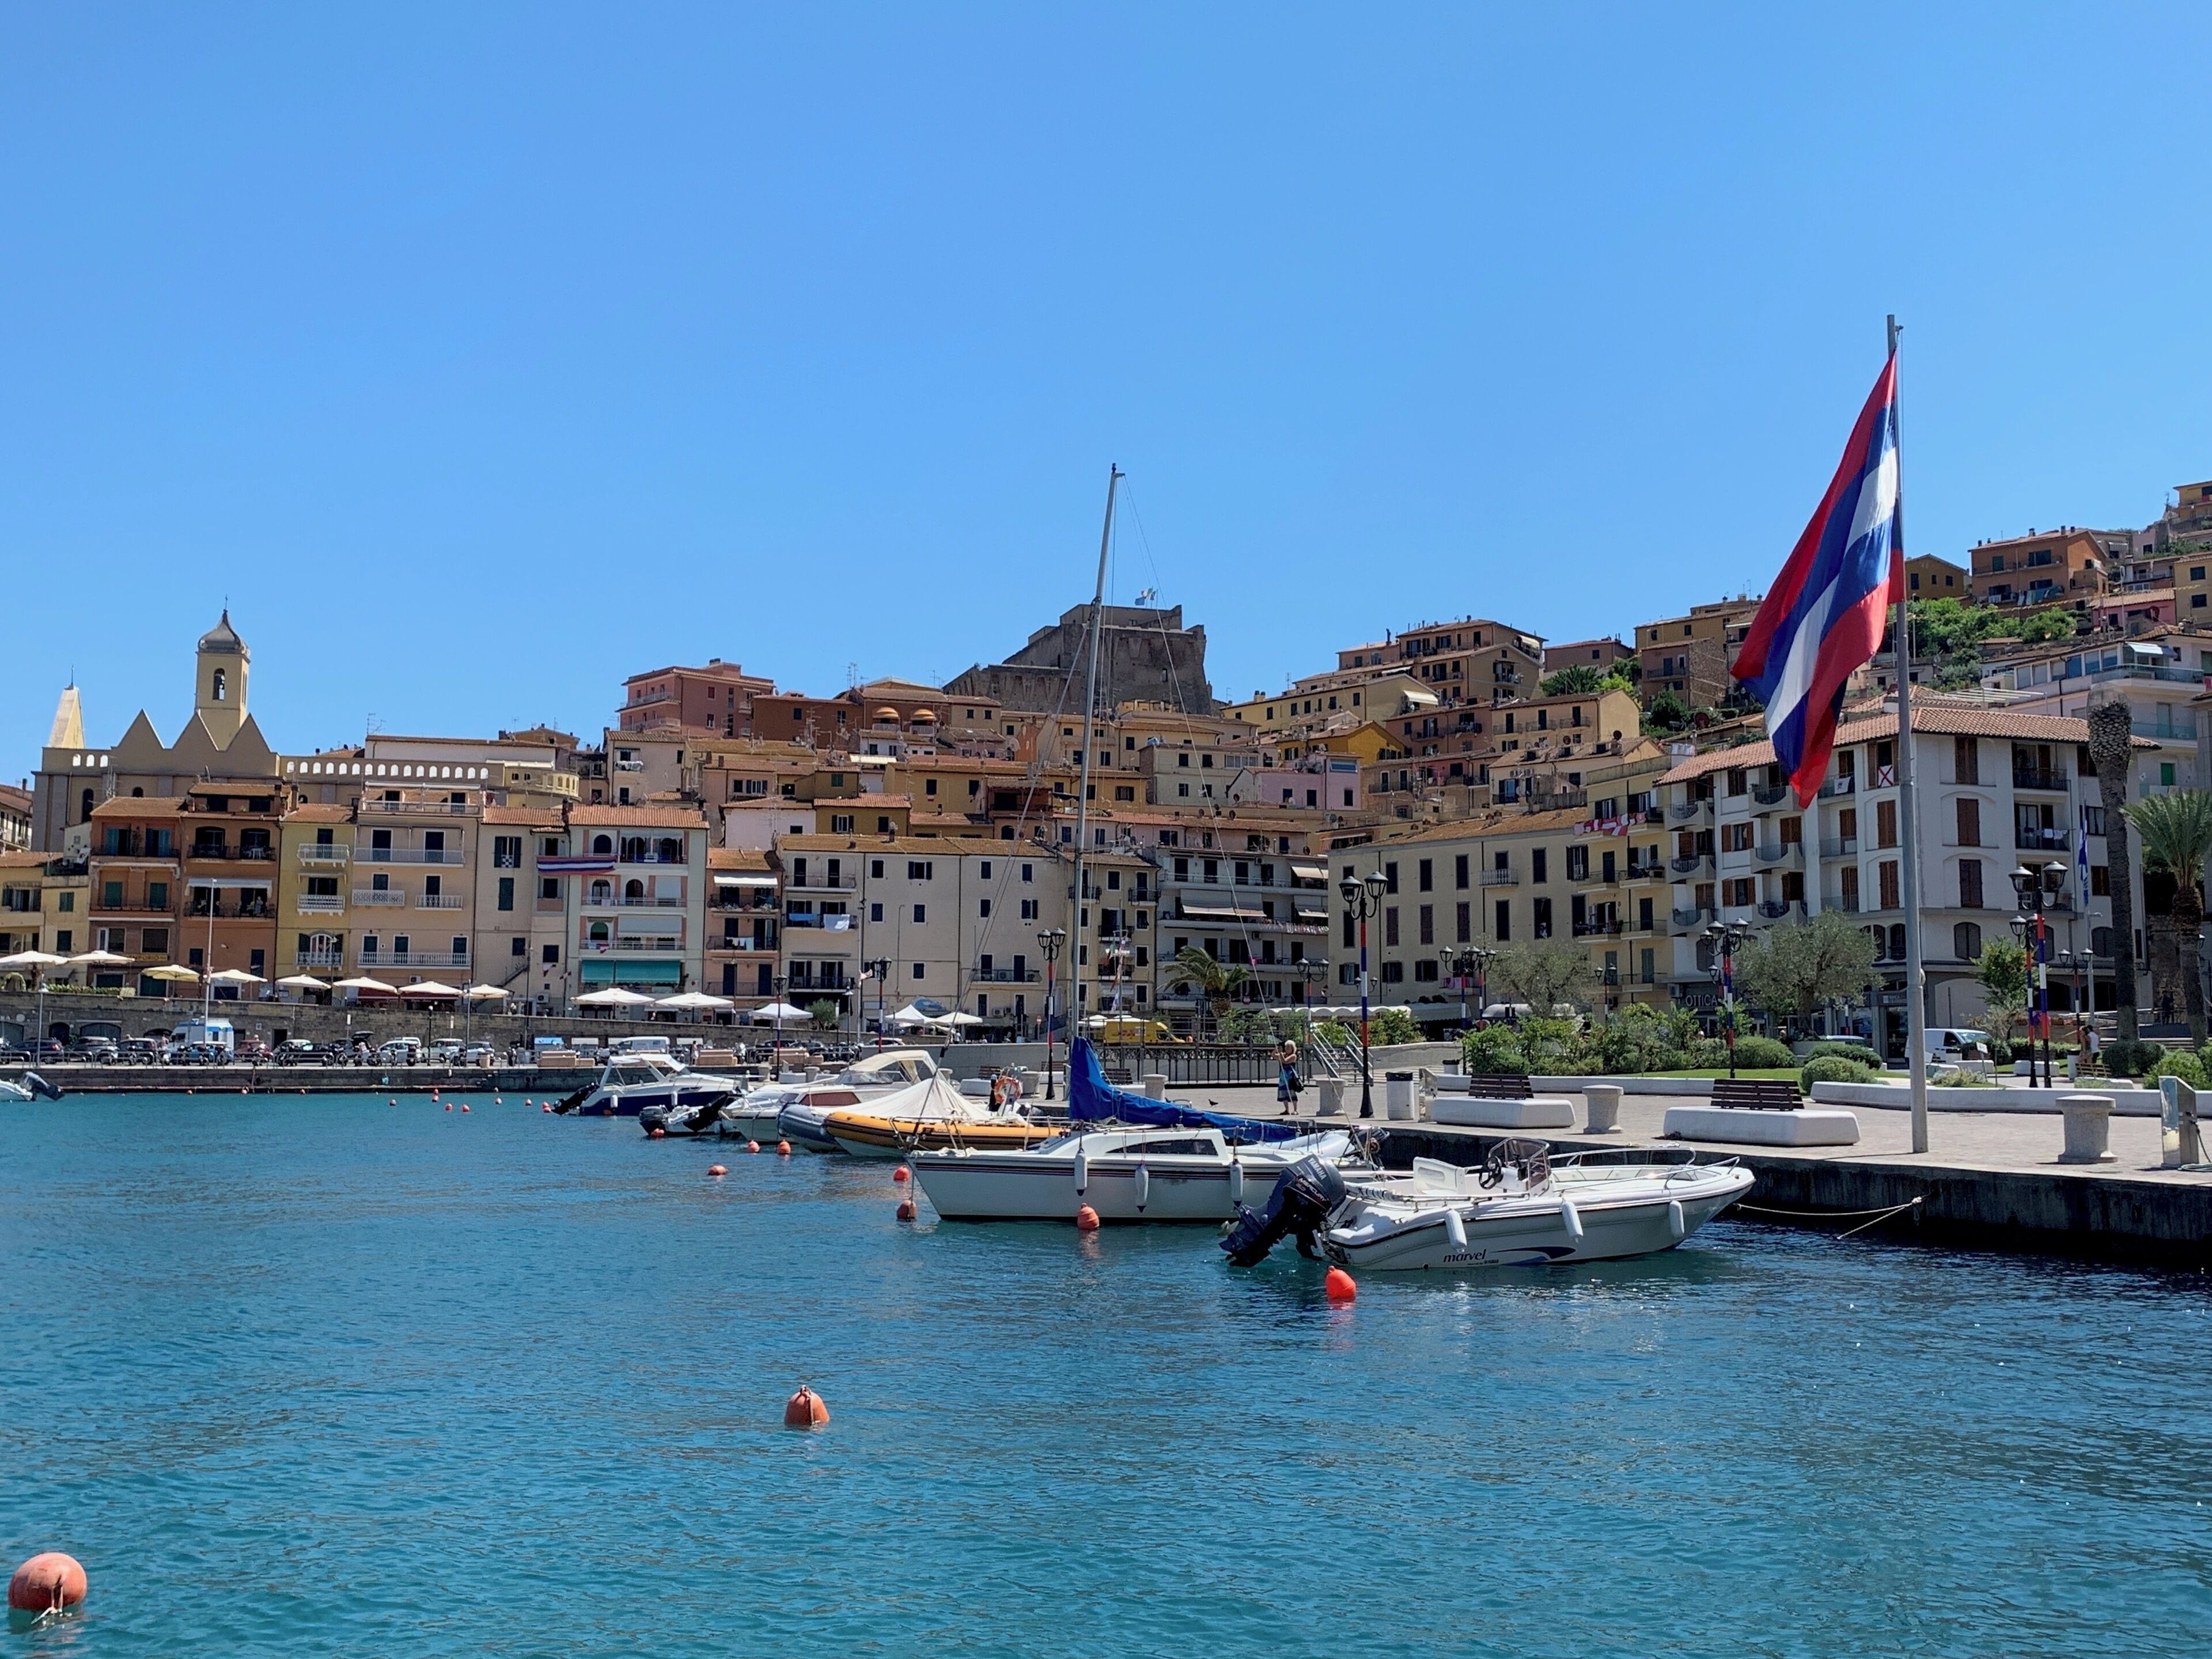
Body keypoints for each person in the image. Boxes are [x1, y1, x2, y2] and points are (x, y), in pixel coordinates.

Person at [1275, 1037, 1302, 1109]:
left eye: (1288, 1048)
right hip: (1283, 1077)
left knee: (1292, 1092)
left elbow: (1285, 1061)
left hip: (1290, 1077)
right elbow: (1274, 1056)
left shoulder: (1293, 1056)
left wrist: (1281, 1054)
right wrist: (1277, 1050)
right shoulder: (1283, 1054)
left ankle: (1295, 1109)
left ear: (1292, 1049)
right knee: (1283, 1092)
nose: (1286, 1049)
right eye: (1286, 1047)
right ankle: (1287, 1109)